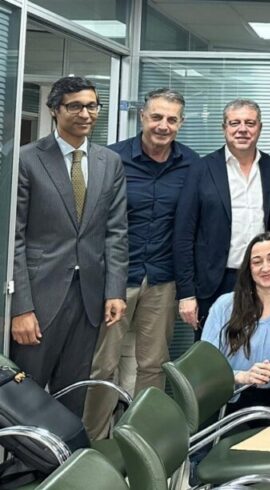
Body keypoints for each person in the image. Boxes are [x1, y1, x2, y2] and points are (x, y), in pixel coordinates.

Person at [83, 88, 198, 438]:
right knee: (104, 363)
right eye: (157, 117)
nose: (163, 125)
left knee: (153, 364)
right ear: (143, 117)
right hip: (117, 279)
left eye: (172, 119)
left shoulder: (191, 164)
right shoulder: (110, 159)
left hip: (163, 279)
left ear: (181, 123)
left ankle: (141, 437)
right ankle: (94, 441)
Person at [10, 76, 128, 416]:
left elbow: (116, 231)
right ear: (54, 110)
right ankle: (21, 469)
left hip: (89, 298)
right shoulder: (27, 159)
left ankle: (62, 467)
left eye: (92, 105)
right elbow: (13, 238)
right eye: (74, 106)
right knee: (25, 396)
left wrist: (115, 290)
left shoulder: (109, 162)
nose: (85, 114)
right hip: (39, 298)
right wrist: (20, 308)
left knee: (73, 393)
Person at [175, 99, 270, 340]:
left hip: (262, 280)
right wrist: (186, 294)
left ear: (260, 128)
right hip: (214, 281)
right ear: (224, 128)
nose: (242, 129)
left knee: (258, 348)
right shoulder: (201, 169)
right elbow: (183, 234)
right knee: (211, 356)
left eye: (249, 123)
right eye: (235, 123)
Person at [201, 232, 270, 419]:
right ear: (248, 269)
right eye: (257, 262)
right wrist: (244, 377)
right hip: (230, 401)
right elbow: (205, 365)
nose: (265, 267)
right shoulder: (224, 305)